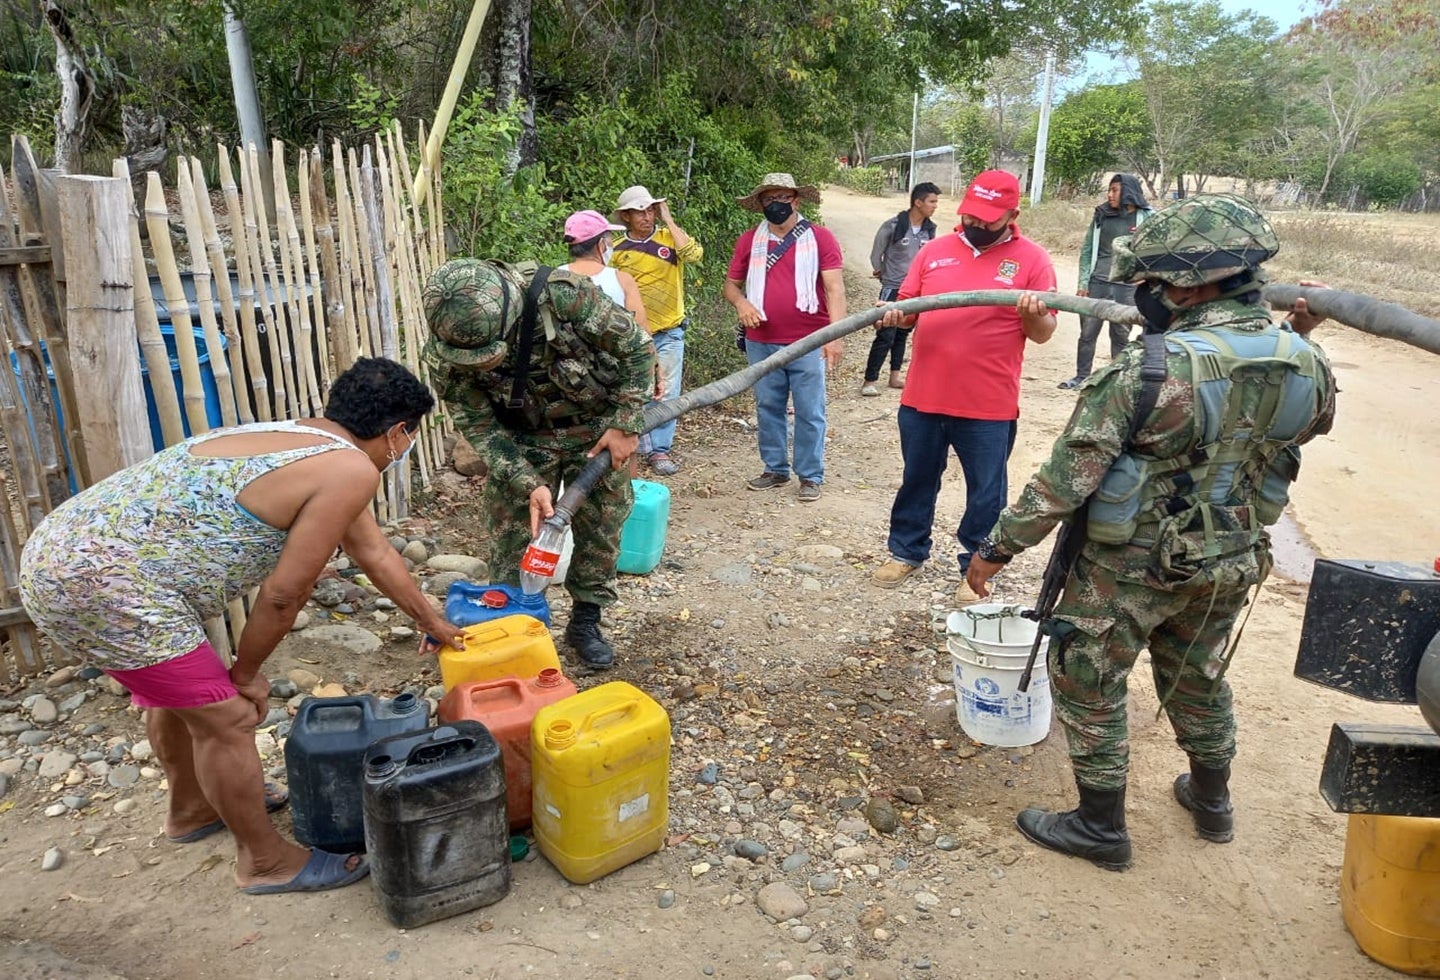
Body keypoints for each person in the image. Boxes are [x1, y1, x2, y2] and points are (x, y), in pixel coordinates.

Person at [965, 195, 1337, 871]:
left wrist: (996, 550)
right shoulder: (1305, 360)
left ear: (1193, 286)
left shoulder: (1149, 368)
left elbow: (1065, 479)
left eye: (1153, 283)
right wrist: (1297, 332)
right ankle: (1212, 800)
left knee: (1087, 675)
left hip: (1130, 568)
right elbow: (1296, 423)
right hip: (1233, 556)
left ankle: (1101, 828)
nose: (1145, 296)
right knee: (1196, 672)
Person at [17, 357, 464, 895]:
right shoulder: (351, 469)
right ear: (398, 432)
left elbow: (372, 551)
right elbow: (283, 595)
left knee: (181, 700)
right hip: (106, 584)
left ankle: (193, 809)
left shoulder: (299, 437)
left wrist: (433, 621)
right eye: (409, 436)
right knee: (226, 717)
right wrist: (247, 673)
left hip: (59, 552)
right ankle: (265, 862)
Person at [421, 258, 654, 669]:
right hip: (523, 439)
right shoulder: (448, 350)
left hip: (596, 429)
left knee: (601, 529)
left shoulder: (562, 296)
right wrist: (527, 481)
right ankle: (517, 624)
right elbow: (480, 427)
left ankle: (585, 622)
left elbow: (637, 348)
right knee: (513, 535)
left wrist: (626, 423)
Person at [870, 170, 1057, 600]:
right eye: (972, 215)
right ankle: (906, 551)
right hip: (923, 397)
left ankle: (976, 568)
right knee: (917, 478)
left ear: (1012, 213)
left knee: (986, 492)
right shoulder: (934, 251)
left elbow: (1043, 332)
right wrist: (896, 314)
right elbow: (909, 308)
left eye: (989, 219)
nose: (977, 224)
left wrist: (1030, 312)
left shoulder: (1033, 260)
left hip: (988, 404)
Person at [723, 173, 846, 503]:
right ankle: (775, 468)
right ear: (760, 204)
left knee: (810, 410)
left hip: (808, 339)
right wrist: (742, 303)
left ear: (796, 201)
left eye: (782, 198)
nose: (775, 205)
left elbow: (834, 289)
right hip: (760, 340)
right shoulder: (749, 241)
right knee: (768, 405)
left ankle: (809, 475)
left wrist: (835, 336)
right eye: (768, 199)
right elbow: (731, 285)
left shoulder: (821, 238)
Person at [610, 185, 704, 477]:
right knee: (637, 390)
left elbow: (694, 255)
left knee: (668, 391)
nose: (646, 216)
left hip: (670, 330)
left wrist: (669, 219)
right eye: (640, 211)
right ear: (626, 216)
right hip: (634, 334)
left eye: (650, 210)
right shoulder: (616, 249)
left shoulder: (669, 239)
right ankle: (640, 444)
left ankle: (660, 449)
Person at [1061, 174, 1153, 390]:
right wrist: (1083, 282)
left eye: (1114, 190)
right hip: (1098, 282)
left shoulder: (1147, 217)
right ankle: (1081, 377)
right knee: (1087, 334)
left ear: (1128, 192)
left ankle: (1115, 381)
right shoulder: (1102, 215)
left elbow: (1155, 252)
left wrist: (1146, 277)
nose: (1109, 195)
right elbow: (1087, 250)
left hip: (1127, 285)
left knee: (1120, 333)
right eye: (1109, 190)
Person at [863, 182, 939, 396]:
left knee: (902, 334)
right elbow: (875, 255)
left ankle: (895, 376)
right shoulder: (893, 226)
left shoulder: (929, 229)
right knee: (885, 334)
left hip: (916, 291)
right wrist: (882, 273)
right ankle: (869, 380)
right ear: (918, 202)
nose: (935, 206)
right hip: (893, 288)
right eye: (932, 201)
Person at [559, 209, 649, 330]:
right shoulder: (622, 280)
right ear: (601, 244)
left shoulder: (555, 276)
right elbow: (642, 332)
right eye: (609, 239)